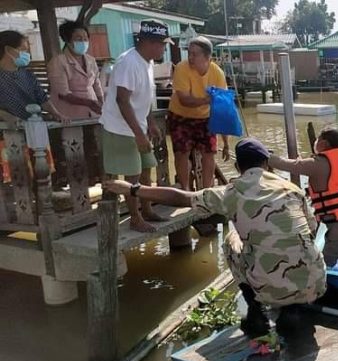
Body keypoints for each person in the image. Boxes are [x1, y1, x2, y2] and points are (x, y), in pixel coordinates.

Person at [103, 137, 327, 338]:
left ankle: (256, 312)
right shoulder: (292, 188)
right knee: (295, 243)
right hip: (317, 283)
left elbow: (182, 198)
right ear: (267, 164)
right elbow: (313, 228)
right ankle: (292, 308)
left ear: (238, 167)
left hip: (271, 289)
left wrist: (133, 189)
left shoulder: (232, 191)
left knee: (231, 241)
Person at [100, 19, 170, 232]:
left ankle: (146, 209)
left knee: (147, 167)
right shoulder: (128, 62)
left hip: (137, 125)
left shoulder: (147, 62)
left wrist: (149, 122)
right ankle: (135, 218)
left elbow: (145, 96)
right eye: (162, 44)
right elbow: (123, 100)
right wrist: (138, 134)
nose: (164, 49)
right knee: (132, 175)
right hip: (119, 128)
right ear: (149, 42)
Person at [268, 127, 338, 266]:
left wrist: (267, 157)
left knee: (331, 274)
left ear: (325, 143)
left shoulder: (319, 163)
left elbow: (288, 165)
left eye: (318, 139)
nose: (316, 142)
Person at [168, 36, 230, 190]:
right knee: (182, 153)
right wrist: (207, 100)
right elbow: (185, 100)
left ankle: (207, 191)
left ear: (208, 57)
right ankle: (185, 190)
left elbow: (222, 109)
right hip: (181, 116)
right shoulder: (182, 68)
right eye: (189, 53)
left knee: (209, 154)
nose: (190, 57)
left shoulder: (217, 74)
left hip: (205, 118)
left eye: (195, 54)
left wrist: (226, 143)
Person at [0, 30, 68, 122]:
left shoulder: (27, 75)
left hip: (34, 125)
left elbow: (42, 99)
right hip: (7, 131)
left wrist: (56, 114)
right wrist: (7, 117)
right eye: (22, 50)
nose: (27, 54)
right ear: (8, 50)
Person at [47, 20, 103, 119]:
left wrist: (101, 102)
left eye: (85, 39)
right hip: (69, 114)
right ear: (67, 41)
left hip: (93, 113)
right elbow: (63, 93)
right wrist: (89, 103)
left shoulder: (91, 60)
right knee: (73, 135)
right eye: (78, 39)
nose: (83, 42)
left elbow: (96, 84)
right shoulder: (58, 62)